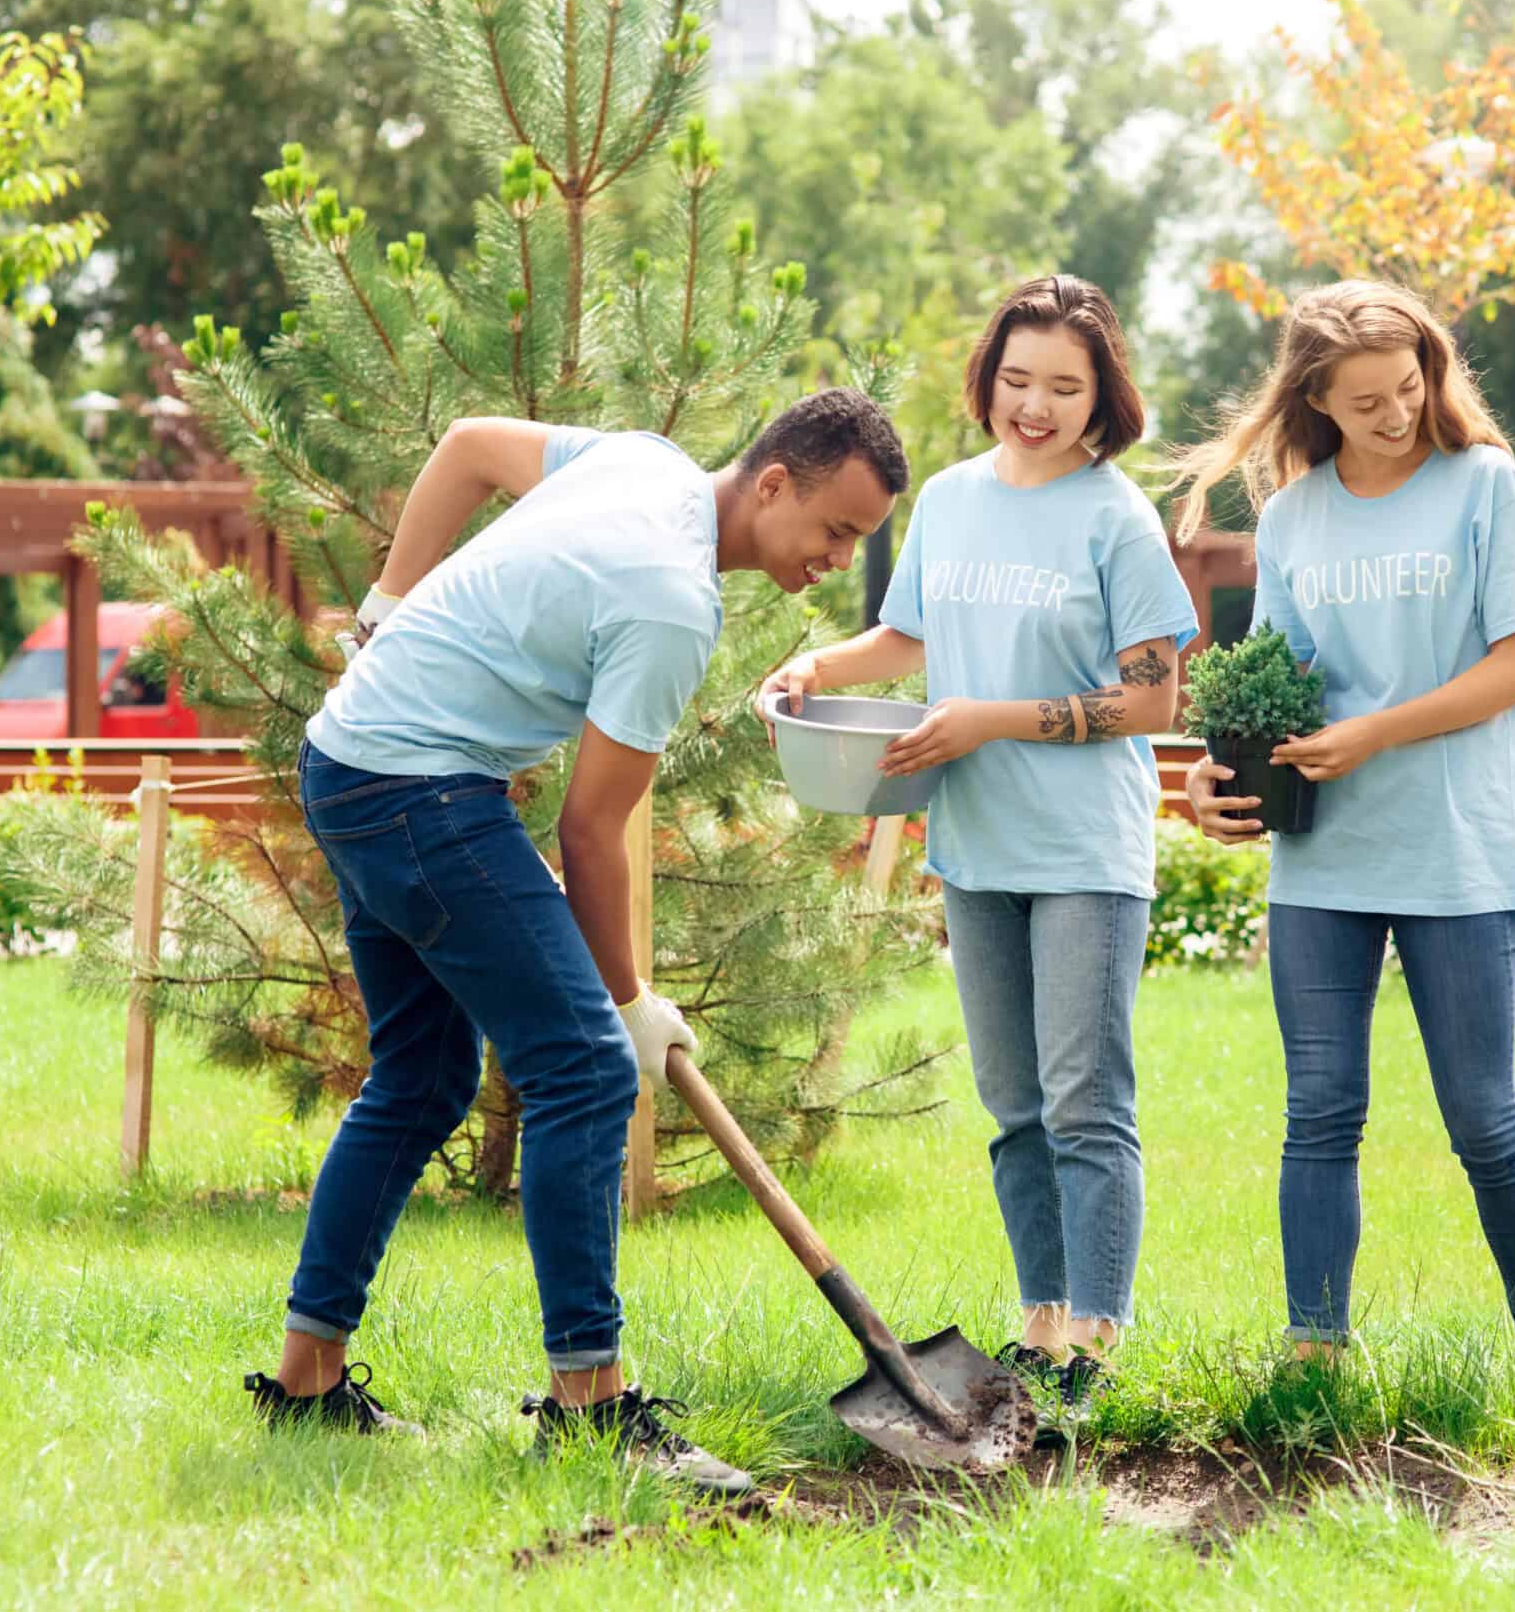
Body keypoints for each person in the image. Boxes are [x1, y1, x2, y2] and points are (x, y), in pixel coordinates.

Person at [243, 389, 909, 1493]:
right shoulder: (670, 601)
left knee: (421, 1076)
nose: (838, 560)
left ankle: (307, 1381)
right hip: (418, 790)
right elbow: (590, 829)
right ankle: (589, 1408)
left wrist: (386, 602)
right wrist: (628, 1002)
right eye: (835, 530)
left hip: (352, 760)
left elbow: (464, 447)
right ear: (776, 483)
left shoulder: (644, 465)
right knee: (587, 1073)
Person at [760, 276, 1194, 1420]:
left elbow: (1152, 699)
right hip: (979, 838)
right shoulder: (949, 501)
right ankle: (1040, 1324)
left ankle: (1098, 1341)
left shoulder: (1116, 515)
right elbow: (911, 638)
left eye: (1063, 385)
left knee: (1083, 1101)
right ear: (986, 378)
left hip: (1084, 848)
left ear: (1102, 394)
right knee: (1013, 1107)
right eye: (1016, 381)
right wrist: (816, 667)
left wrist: (993, 718)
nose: (1035, 406)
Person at [1173, 278, 1515, 1370]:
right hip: (1325, 854)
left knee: (1483, 1121)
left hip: (1455, 849)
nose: (1394, 414)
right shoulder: (1296, 512)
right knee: (1319, 1112)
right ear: (1315, 400)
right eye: (1363, 403)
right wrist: (1220, 777)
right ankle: (1314, 1356)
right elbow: (1275, 683)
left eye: (1406, 388)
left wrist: (1373, 736)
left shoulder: (1483, 486)